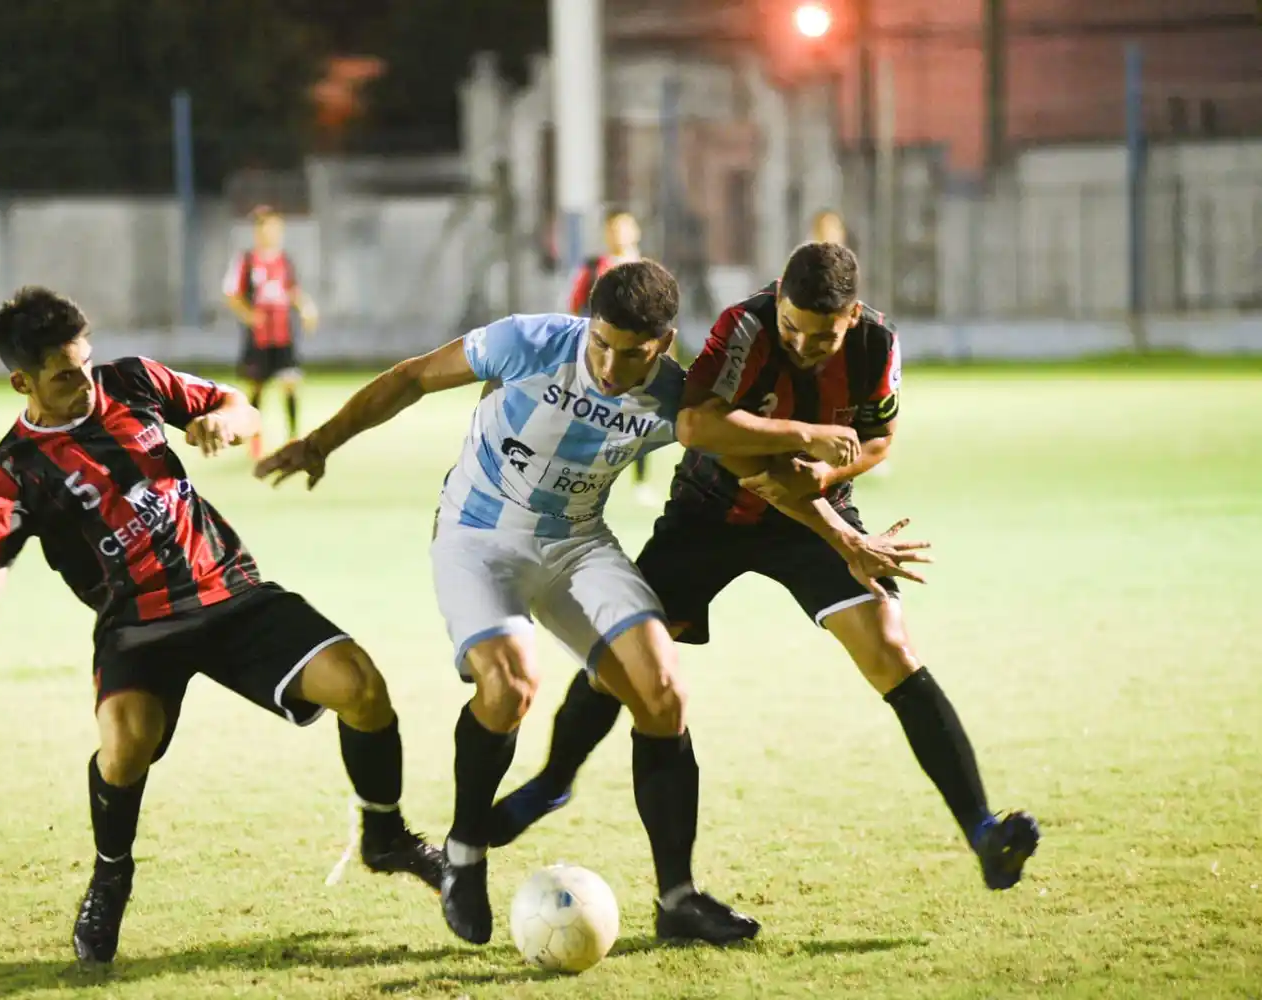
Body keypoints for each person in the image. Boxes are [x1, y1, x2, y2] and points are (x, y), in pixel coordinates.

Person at [255, 260, 866, 946]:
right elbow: (412, 377)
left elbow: (764, 475)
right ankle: (464, 856)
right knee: (511, 684)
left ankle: (678, 900)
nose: (609, 363)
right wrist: (318, 443)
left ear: (663, 344)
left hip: (577, 543)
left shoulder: (673, 396)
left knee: (662, 694)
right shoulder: (529, 342)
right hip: (478, 535)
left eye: (631, 351)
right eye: (600, 342)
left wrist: (844, 537)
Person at [0, 287, 442, 965]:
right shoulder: (16, 470)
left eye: (84, 362)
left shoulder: (133, 381)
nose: (84, 382)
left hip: (228, 589)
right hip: (137, 623)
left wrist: (224, 425)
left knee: (360, 685)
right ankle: (111, 874)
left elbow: (233, 406)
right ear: (21, 381)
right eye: (64, 374)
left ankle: (385, 837)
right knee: (126, 745)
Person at [487, 242, 1041, 893]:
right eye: (793, 328)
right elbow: (699, 429)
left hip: (812, 518)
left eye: (823, 335)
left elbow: (881, 436)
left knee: (891, 647)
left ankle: (982, 830)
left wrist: (835, 471)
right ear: (777, 300)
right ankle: (554, 783)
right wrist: (811, 456)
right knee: (622, 660)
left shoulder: (876, 344)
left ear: (853, 315)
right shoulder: (742, 329)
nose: (805, 345)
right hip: (710, 513)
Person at [566, 209, 667, 506]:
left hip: (640, 358)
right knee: (592, 414)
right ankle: (579, 479)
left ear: (635, 231)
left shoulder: (650, 271)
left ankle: (641, 482)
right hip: (602, 358)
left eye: (624, 228)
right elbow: (576, 307)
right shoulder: (595, 267)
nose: (619, 234)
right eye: (613, 229)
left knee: (641, 416)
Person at [223, 206, 319, 459]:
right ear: (257, 231)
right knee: (256, 388)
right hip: (259, 338)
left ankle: (293, 438)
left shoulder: (285, 261)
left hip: (283, 334)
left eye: (275, 227)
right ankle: (255, 440)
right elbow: (232, 294)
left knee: (290, 383)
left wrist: (307, 308)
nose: (271, 232)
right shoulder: (246, 260)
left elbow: (293, 291)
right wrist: (250, 316)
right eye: (265, 227)